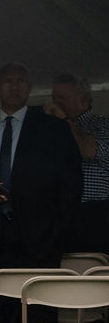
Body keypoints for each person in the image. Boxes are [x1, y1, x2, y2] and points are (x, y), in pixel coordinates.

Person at [0, 64, 82, 271]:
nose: (14, 87)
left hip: (44, 235)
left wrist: (60, 228)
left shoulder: (53, 128)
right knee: (3, 298)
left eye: (20, 81)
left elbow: (72, 181)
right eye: (8, 81)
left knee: (42, 299)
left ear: (30, 87)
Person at [48, 74, 109, 254]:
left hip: (91, 212)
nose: (55, 103)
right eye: (54, 99)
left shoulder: (102, 125)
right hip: (54, 211)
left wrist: (64, 122)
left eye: (62, 99)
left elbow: (87, 150)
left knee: (92, 269)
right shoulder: (48, 127)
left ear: (83, 100)